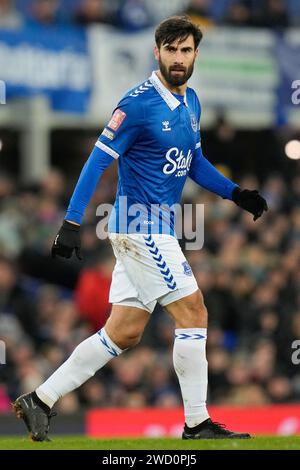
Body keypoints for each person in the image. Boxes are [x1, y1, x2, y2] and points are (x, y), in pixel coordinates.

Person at [13, 15, 268, 441]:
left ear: (196, 54)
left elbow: (195, 162)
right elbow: (98, 159)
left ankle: (39, 400)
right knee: (194, 312)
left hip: (155, 228)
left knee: (124, 332)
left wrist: (235, 193)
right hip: (139, 226)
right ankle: (197, 423)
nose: (179, 59)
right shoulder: (136, 104)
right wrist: (71, 223)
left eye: (186, 50)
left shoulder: (192, 103)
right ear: (157, 52)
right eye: (171, 50)